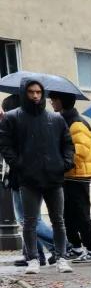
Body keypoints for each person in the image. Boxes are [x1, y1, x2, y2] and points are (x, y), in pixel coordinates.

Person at [0, 76, 75, 274]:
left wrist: (65, 164)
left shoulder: (55, 119)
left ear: (43, 94)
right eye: (31, 92)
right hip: (28, 178)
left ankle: (61, 258)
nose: (35, 95)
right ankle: (33, 259)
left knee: (58, 220)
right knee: (29, 221)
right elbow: (5, 145)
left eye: (38, 92)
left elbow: (68, 143)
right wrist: (18, 165)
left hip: (53, 176)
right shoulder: (12, 117)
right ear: (25, 93)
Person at [2, 94, 55, 267]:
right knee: (32, 217)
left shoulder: (15, 126)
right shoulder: (33, 123)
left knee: (27, 219)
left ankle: (60, 246)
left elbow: (8, 149)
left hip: (21, 178)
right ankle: (35, 254)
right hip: (34, 176)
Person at [49, 92, 91, 264]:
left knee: (81, 214)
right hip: (69, 175)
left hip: (78, 175)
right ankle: (77, 248)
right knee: (67, 214)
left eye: (53, 99)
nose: (51, 102)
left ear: (61, 101)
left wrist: (60, 160)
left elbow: (80, 152)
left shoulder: (76, 123)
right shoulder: (65, 120)